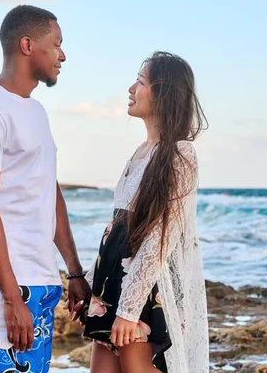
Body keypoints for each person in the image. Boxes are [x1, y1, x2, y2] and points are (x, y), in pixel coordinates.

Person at [0, 5, 91, 373]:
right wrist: (12, 297)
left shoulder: (35, 112)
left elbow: (49, 193)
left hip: (40, 280)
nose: (62, 55)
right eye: (56, 43)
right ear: (28, 45)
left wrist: (74, 272)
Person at [77, 51, 210, 373]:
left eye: (139, 82)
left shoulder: (180, 154)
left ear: (163, 92)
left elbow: (159, 239)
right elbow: (117, 229)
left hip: (142, 287)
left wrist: (128, 309)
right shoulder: (139, 152)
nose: (130, 89)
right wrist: (89, 285)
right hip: (112, 281)